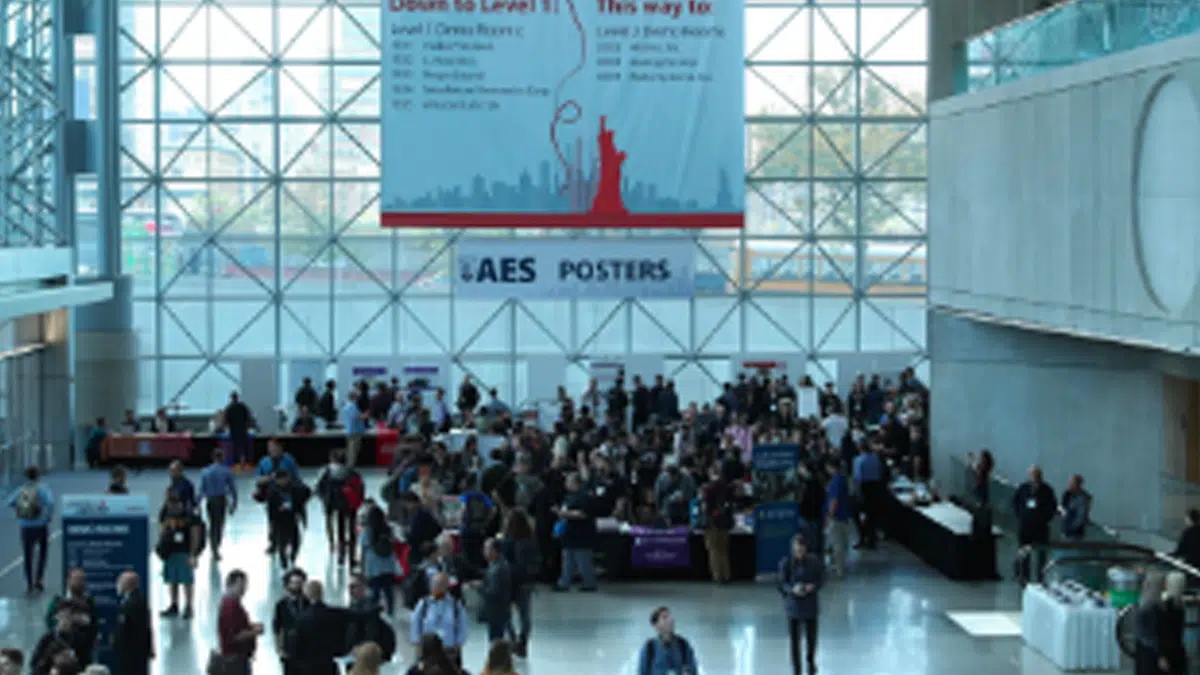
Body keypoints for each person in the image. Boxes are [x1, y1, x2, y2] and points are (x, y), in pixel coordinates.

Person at [778, 534, 823, 675]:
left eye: (802, 551)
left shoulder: (814, 562)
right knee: (794, 641)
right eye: (797, 551)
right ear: (793, 549)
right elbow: (781, 584)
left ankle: (810, 661)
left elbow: (821, 579)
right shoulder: (786, 563)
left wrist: (812, 586)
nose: (800, 554)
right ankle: (796, 668)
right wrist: (792, 590)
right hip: (793, 607)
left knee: (811, 639)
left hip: (810, 607)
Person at [290, 580, 352, 675]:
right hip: (329, 665)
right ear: (322, 592)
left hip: (309, 667)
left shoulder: (301, 619)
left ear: (306, 595)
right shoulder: (335, 614)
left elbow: (296, 647)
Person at [499, 509, 538, 657]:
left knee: (505, 613)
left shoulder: (507, 542)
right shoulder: (531, 541)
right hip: (526, 582)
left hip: (510, 581)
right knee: (525, 614)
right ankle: (523, 641)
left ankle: (512, 639)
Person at [157, 488, 201, 619]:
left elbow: (195, 535)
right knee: (172, 579)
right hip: (170, 551)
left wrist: (193, 555)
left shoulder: (190, 515)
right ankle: (174, 605)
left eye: (174, 502)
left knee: (187, 580)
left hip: (184, 552)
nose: (171, 505)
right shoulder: (165, 513)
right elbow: (161, 531)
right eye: (169, 502)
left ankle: (189, 606)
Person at [9, 465, 53, 594]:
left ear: (26, 476)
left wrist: (20, 510)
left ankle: (29, 582)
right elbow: (50, 503)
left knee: (28, 554)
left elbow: (10, 502)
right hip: (40, 525)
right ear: (38, 476)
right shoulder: (43, 489)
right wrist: (48, 516)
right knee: (42, 552)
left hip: (25, 526)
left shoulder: (21, 489)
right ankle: (39, 579)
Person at [316, 449, 363, 567]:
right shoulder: (352, 472)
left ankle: (339, 553)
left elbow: (319, 488)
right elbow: (360, 488)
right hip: (350, 504)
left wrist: (325, 500)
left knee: (340, 529)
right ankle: (351, 556)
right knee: (351, 530)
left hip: (333, 504)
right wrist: (358, 501)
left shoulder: (327, 471)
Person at [410, 573, 469, 664]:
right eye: (435, 584)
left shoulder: (455, 605)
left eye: (441, 585)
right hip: (427, 652)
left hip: (449, 651)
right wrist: (418, 644)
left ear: (447, 586)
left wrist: (458, 645)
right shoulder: (424, 604)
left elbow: (462, 626)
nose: (438, 587)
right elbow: (415, 624)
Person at [554, 472, 598, 592]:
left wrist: (564, 513)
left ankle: (589, 583)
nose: (566, 484)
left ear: (575, 483)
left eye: (568, 481)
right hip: (569, 533)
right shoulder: (568, 497)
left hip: (582, 534)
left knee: (583, 560)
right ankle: (564, 583)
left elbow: (582, 514)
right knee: (567, 560)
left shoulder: (584, 497)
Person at [1012, 466, 1056, 581]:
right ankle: (1023, 576)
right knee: (1024, 552)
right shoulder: (1023, 488)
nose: (1035, 477)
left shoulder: (1047, 490)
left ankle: (1041, 577)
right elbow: (1016, 502)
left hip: (1040, 527)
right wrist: (1021, 515)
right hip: (1026, 526)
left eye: (1037, 475)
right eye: (1033, 475)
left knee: (1041, 554)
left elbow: (1052, 507)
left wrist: (1044, 518)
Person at [43, 568, 96, 663]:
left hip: (83, 650)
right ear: (68, 580)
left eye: (82, 579)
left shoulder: (89, 602)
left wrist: (80, 620)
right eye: (76, 579)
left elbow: (94, 623)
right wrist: (61, 622)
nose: (79, 582)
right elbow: (49, 620)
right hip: (61, 648)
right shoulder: (58, 600)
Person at [217, 569, 263, 675]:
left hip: (238, 657)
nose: (244, 589)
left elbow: (237, 626)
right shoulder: (230, 606)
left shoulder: (232, 603)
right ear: (230, 585)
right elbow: (234, 636)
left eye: (245, 585)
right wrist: (255, 632)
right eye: (241, 585)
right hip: (235, 660)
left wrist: (250, 626)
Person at [359, 504, 401, 614]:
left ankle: (374, 611)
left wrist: (362, 568)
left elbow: (363, 550)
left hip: (373, 565)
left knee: (375, 590)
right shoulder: (389, 529)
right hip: (388, 564)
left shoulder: (366, 531)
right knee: (388, 590)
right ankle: (390, 611)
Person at [30, 599, 90, 675]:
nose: (65, 619)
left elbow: (85, 664)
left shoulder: (79, 639)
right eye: (62, 615)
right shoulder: (47, 638)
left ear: (73, 618)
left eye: (68, 616)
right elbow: (34, 664)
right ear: (56, 616)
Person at [112, 571, 153, 675]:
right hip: (132, 651)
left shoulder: (133, 602)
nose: (118, 585)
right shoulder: (134, 599)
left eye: (120, 582)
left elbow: (136, 628)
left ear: (128, 584)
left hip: (131, 652)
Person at [200, 449, 238, 560]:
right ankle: (216, 547)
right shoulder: (226, 471)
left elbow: (201, 489)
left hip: (210, 500)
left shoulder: (206, 471)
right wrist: (234, 503)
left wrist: (197, 503)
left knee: (212, 524)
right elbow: (232, 489)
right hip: (221, 500)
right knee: (219, 524)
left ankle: (214, 548)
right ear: (222, 458)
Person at [472, 537, 512, 643]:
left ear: (494, 550)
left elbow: (494, 591)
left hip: (496, 611)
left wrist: (479, 587)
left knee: (496, 639)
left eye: (486, 548)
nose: (484, 551)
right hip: (497, 611)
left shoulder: (499, 568)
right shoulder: (495, 565)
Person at [700, 464, 734, 584]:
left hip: (712, 523)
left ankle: (717, 576)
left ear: (711, 474)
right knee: (723, 549)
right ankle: (726, 574)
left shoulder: (708, 489)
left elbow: (705, 507)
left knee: (713, 550)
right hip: (725, 522)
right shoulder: (727, 487)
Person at [637, 607, 697, 675]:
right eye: (664, 617)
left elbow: (693, 671)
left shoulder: (683, 645)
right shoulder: (649, 648)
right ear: (656, 625)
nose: (670, 620)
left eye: (670, 617)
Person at [272, 569, 309, 675]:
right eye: (294, 583)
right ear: (287, 585)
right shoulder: (281, 605)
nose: (297, 586)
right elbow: (277, 627)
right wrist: (279, 649)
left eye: (300, 583)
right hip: (288, 648)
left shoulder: (307, 602)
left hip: (306, 649)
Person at [824, 460, 851, 578]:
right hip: (843, 515)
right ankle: (839, 566)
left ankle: (839, 569)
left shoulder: (835, 481)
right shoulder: (842, 479)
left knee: (837, 543)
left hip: (836, 517)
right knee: (841, 542)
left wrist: (830, 515)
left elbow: (834, 500)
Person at [1136, 571, 1165, 675]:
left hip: (1142, 647)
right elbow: (1154, 634)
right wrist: (1160, 656)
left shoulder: (1143, 603)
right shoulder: (1154, 607)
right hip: (1151, 651)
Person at [224, 391, 254, 471]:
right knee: (244, 449)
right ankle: (245, 465)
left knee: (235, 449)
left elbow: (225, 421)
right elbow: (249, 418)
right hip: (243, 431)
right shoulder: (243, 406)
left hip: (233, 432)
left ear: (231, 398)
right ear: (237, 397)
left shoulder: (229, 408)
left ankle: (236, 465)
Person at [1060, 474, 1091, 541]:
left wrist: (1073, 527)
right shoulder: (1067, 494)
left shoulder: (1083, 497)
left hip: (1076, 532)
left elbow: (1082, 515)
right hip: (1066, 529)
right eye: (1070, 483)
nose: (1070, 485)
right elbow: (1063, 508)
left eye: (1072, 483)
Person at [342, 392, 368, 468]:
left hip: (350, 430)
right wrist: (365, 415)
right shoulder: (352, 406)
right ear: (354, 397)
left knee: (350, 449)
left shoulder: (346, 406)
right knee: (353, 450)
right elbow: (356, 417)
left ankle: (349, 464)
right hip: (355, 431)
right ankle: (350, 465)